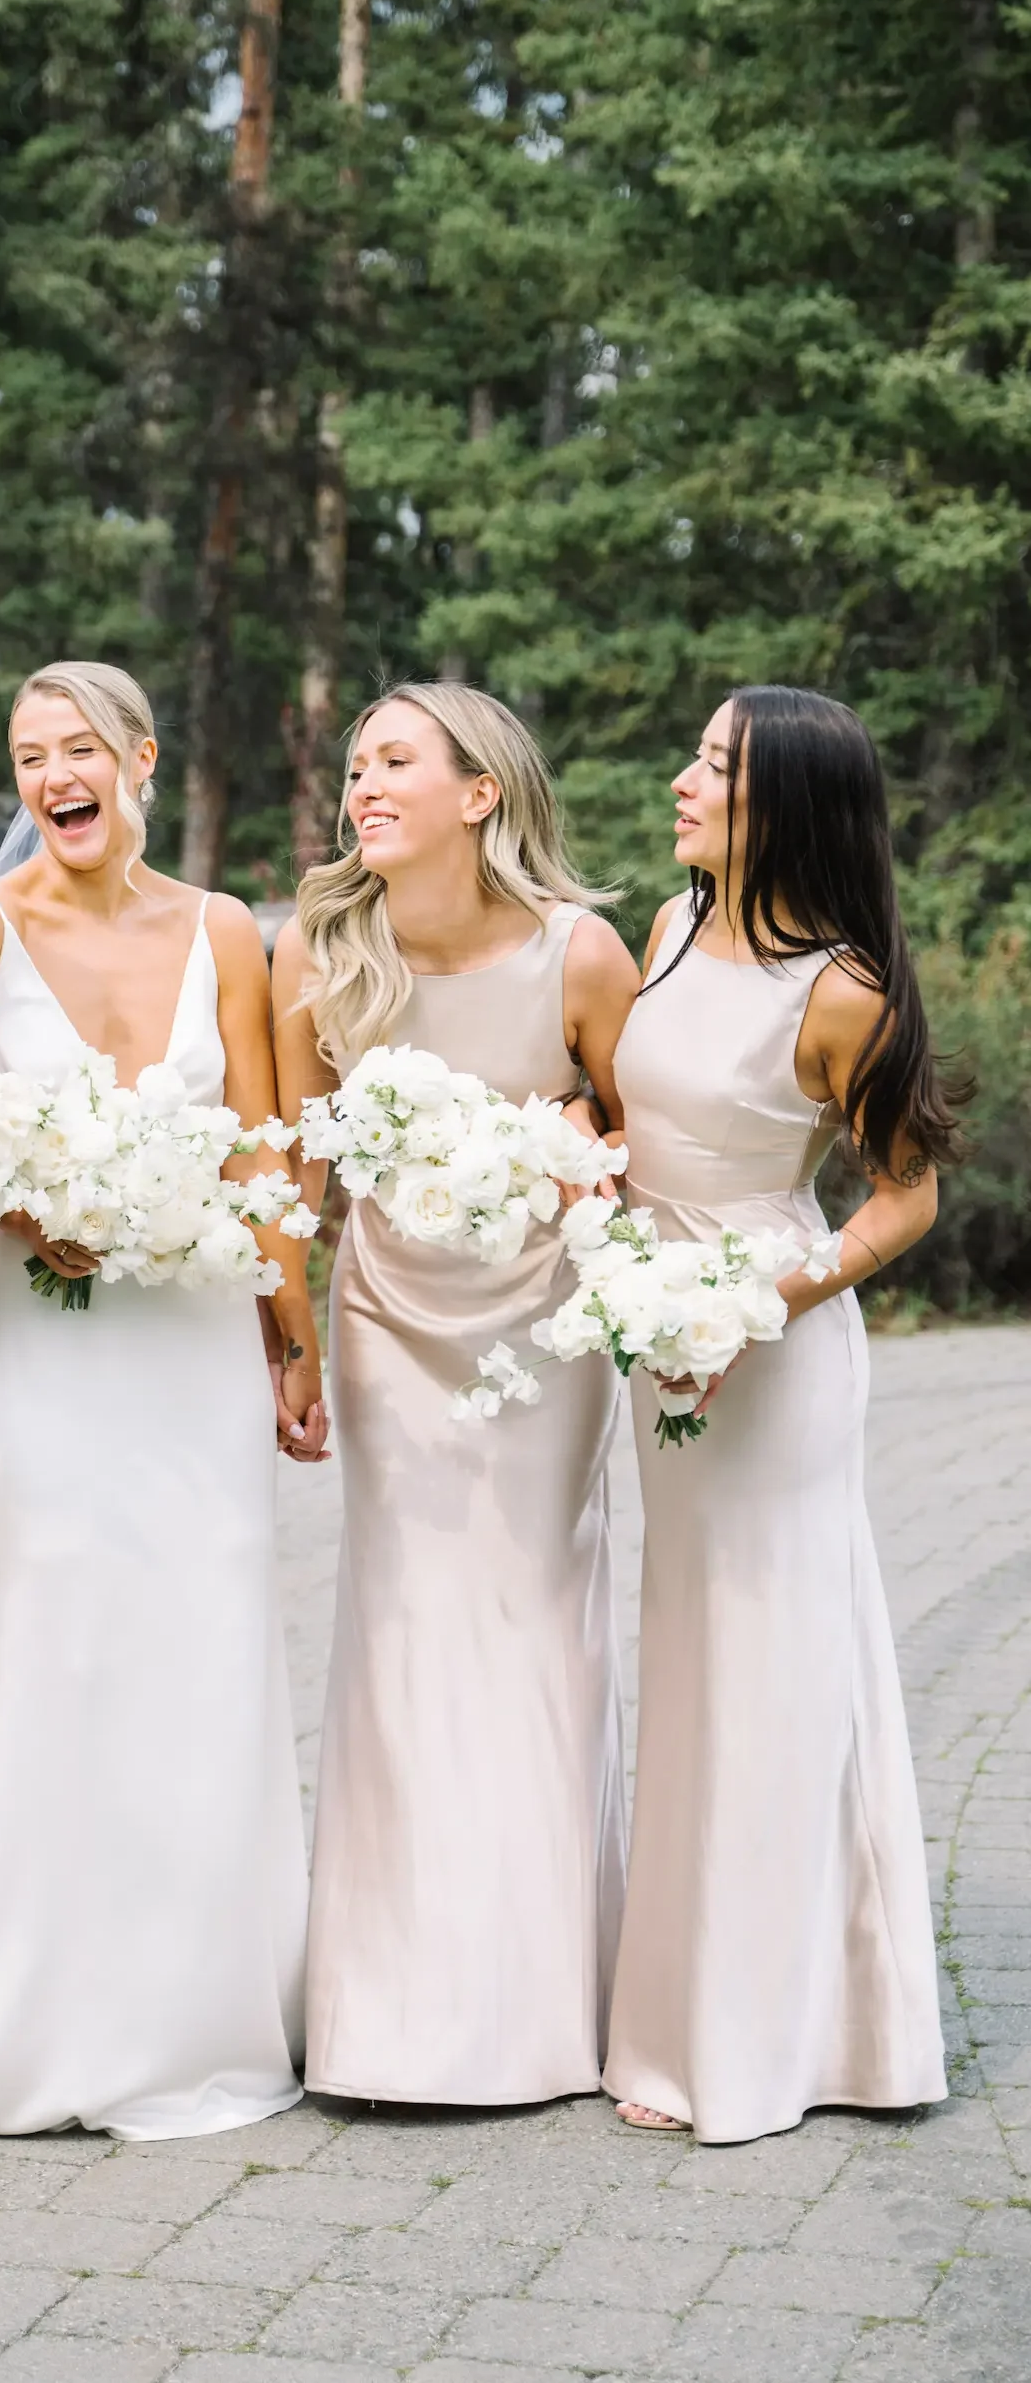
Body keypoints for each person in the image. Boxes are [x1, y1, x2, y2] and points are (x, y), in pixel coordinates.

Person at [0, 660, 315, 2140]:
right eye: (26, 758)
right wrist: (28, 1215)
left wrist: (296, 1341)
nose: (51, 777)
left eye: (79, 748)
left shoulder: (226, 931)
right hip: (56, 1346)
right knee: (71, 1638)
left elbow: (269, 1146)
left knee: (209, 1634)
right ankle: (51, 2032)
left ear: (140, 760)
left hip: (197, 1342)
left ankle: (211, 2012)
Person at [272, 682, 641, 2109]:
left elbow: (643, 1147)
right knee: (405, 1633)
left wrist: (577, 1138)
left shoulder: (580, 953)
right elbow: (294, 1181)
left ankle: (545, 2002)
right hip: (388, 1326)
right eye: (356, 765)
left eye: (395, 761)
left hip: (541, 1344)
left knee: (536, 1626)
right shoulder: (321, 950)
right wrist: (287, 1340)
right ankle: (392, 2006)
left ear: (480, 792)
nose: (363, 784)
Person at [604, 685, 956, 2141]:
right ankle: (685, 2017)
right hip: (651, 1328)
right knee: (689, 1662)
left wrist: (767, 1306)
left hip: (771, 1335)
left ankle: (799, 2036)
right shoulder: (670, 929)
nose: (683, 781)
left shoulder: (842, 988)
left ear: (785, 804)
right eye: (693, 754)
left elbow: (909, 1192)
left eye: (714, 765)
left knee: (775, 1667)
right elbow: (648, 1124)